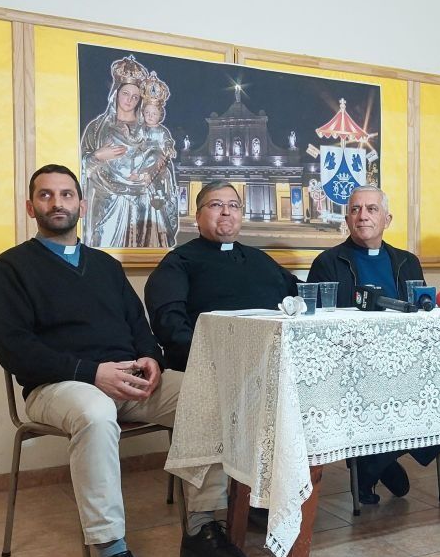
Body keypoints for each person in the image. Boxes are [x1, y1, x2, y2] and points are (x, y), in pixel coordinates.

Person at [0, 165, 250, 557]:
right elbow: (15, 349)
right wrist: (91, 373)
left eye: (67, 194)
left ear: (82, 205)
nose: (58, 203)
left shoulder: (105, 265)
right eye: (46, 196)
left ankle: (203, 527)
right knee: (93, 411)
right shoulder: (11, 269)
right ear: (31, 207)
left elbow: (138, 325)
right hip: (58, 386)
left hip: (127, 379)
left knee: (205, 392)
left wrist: (151, 358)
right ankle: (111, 553)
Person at [307, 185, 440, 505]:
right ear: (347, 218)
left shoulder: (407, 262)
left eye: (371, 209)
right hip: (352, 364)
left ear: (387, 218)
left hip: (406, 359)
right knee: (387, 392)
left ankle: (373, 463)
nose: (362, 216)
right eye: (355, 209)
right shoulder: (328, 262)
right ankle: (377, 461)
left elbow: (420, 312)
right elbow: (316, 325)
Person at [145, 180, 299, 373]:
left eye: (234, 205)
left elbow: (302, 296)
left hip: (275, 363)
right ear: (198, 216)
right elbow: (170, 325)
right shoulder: (178, 262)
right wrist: (212, 361)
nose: (226, 211)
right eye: (216, 205)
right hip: (212, 368)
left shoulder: (260, 259)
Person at [80, 55, 174, 248]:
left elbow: (163, 160)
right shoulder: (97, 128)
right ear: (116, 93)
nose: (130, 100)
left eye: (135, 96)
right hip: (109, 204)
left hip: (145, 206)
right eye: (125, 94)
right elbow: (82, 166)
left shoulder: (149, 128)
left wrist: (150, 172)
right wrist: (98, 156)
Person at [134, 71, 179, 247]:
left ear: (160, 114)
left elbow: (167, 145)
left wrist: (169, 149)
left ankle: (160, 236)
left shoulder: (162, 131)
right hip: (140, 167)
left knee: (158, 203)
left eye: (154, 113)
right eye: (147, 112)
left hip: (158, 172)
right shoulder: (139, 130)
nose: (150, 116)